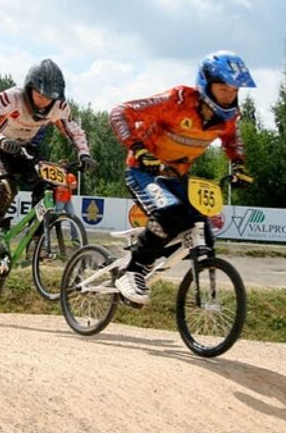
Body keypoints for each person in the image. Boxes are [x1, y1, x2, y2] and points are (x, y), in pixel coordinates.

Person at [108, 51, 256, 304]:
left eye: (234, 90)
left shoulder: (228, 118)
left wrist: (239, 166)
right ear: (206, 85)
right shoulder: (176, 101)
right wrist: (139, 149)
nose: (229, 96)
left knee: (202, 228)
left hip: (177, 176)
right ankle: (132, 272)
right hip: (144, 171)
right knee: (169, 214)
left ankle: (145, 259)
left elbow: (233, 141)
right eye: (223, 89)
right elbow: (120, 113)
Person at [0, 58, 96, 270]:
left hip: (24, 149)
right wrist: (0, 140)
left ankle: (35, 242)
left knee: (47, 184)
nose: (44, 102)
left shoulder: (59, 107)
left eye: (50, 97)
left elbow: (73, 129)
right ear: (29, 88)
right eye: (40, 95)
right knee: (5, 188)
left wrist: (84, 154)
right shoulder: (10, 98)